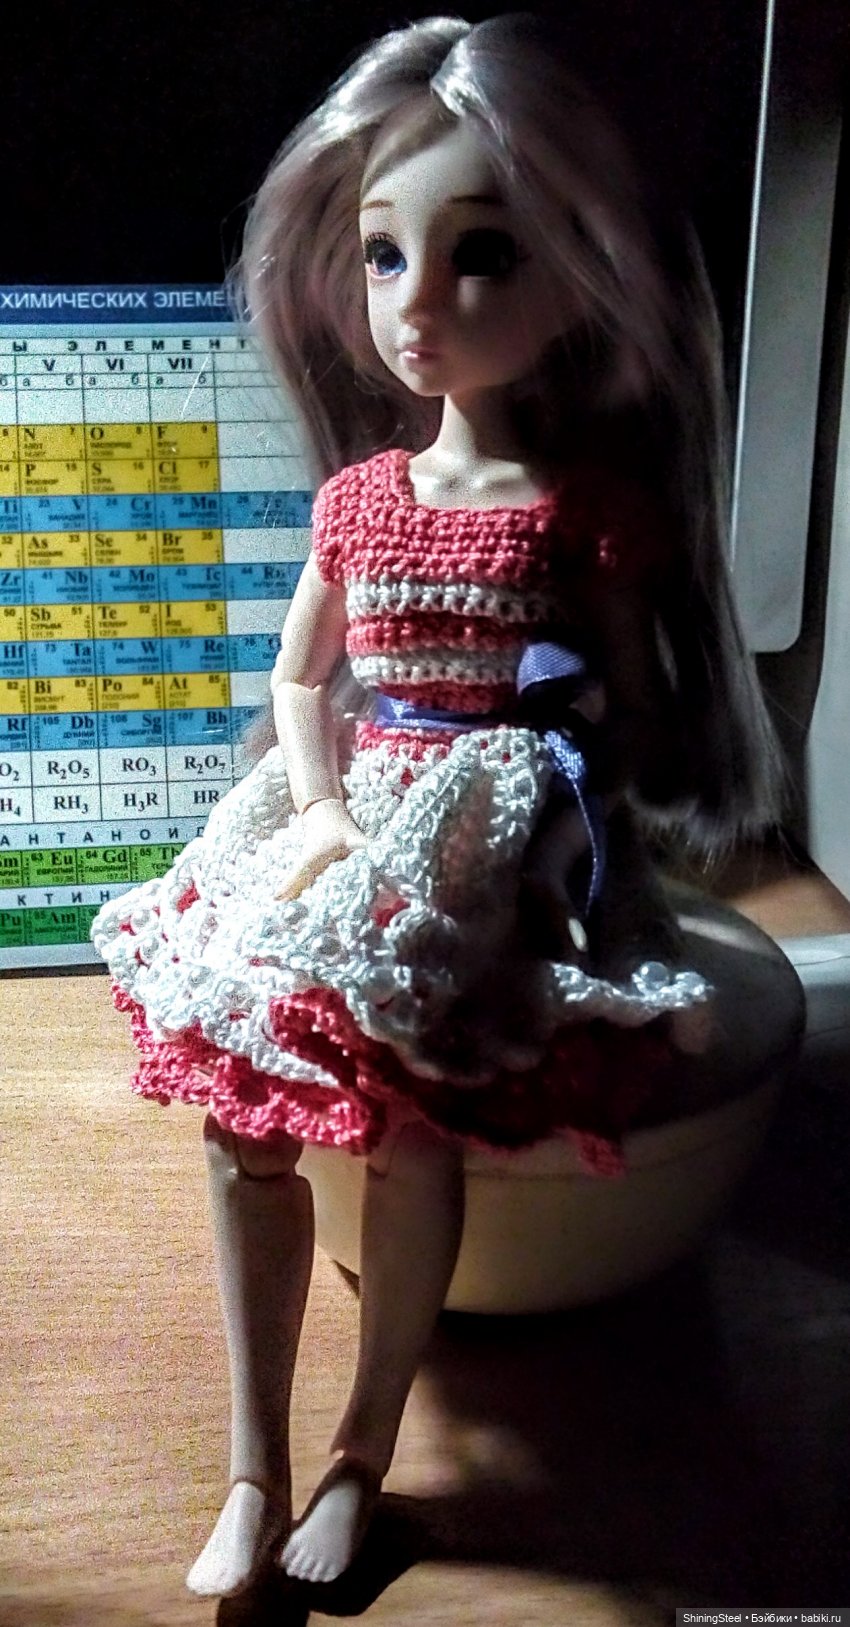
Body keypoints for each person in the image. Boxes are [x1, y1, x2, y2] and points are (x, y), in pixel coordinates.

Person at [91, 13, 780, 1595]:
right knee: (245, 1106)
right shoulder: (356, 501)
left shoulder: (581, 515)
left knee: (414, 1127)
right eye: (382, 255)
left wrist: (569, 816)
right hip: (350, 807)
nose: (416, 305)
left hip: (495, 829)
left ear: (579, 280)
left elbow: (625, 706)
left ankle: (359, 1451)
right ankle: (254, 1467)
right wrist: (319, 804)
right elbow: (299, 679)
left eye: (480, 256)